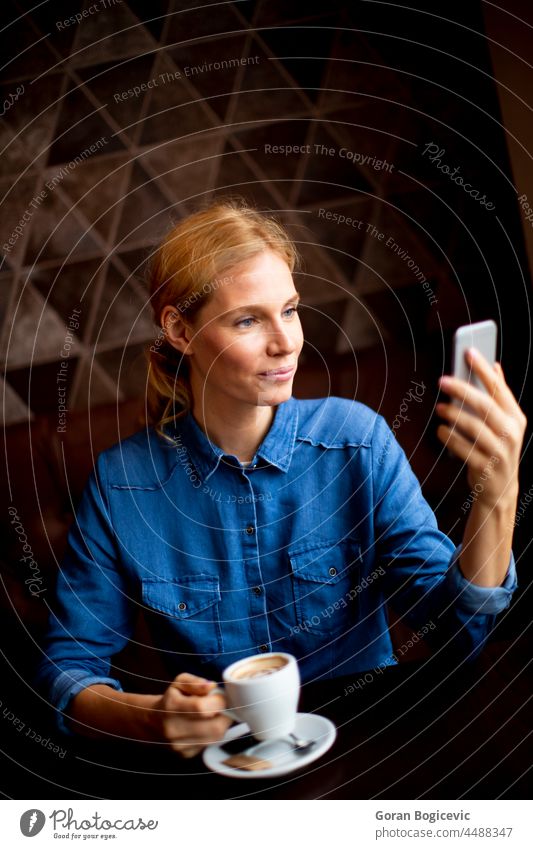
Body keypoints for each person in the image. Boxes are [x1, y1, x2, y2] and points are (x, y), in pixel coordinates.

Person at [36, 200, 526, 758]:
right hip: (226, 776)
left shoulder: (355, 441)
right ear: (179, 329)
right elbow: (68, 672)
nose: (286, 341)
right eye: (248, 319)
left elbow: (458, 634)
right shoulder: (122, 483)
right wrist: (153, 718)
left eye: (290, 310)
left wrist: (498, 492)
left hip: (369, 751)